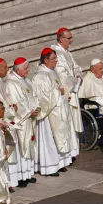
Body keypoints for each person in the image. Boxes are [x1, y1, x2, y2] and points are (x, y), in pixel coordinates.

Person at [32, 48, 72, 176]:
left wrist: (63, 92)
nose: (56, 60)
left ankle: (59, 164)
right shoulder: (40, 76)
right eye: (53, 58)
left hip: (58, 110)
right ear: (45, 60)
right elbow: (41, 96)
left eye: (56, 58)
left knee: (58, 138)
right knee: (49, 140)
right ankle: (49, 167)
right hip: (48, 114)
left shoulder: (52, 71)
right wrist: (58, 92)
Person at [4, 57, 38, 184]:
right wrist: (29, 111)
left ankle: (28, 173)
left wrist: (36, 108)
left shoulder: (25, 80)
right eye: (25, 68)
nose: (28, 70)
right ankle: (20, 176)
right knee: (21, 147)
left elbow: (32, 96)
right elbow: (16, 103)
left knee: (29, 144)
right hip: (21, 120)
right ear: (17, 70)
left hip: (29, 118)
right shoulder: (11, 83)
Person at [51, 28, 82, 159]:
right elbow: (62, 76)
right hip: (65, 93)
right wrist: (76, 80)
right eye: (69, 38)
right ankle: (67, 153)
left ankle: (72, 151)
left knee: (71, 122)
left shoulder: (65, 52)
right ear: (61, 39)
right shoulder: (57, 54)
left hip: (71, 89)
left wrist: (78, 74)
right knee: (67, 122)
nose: (71, 40)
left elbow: (76, 67)